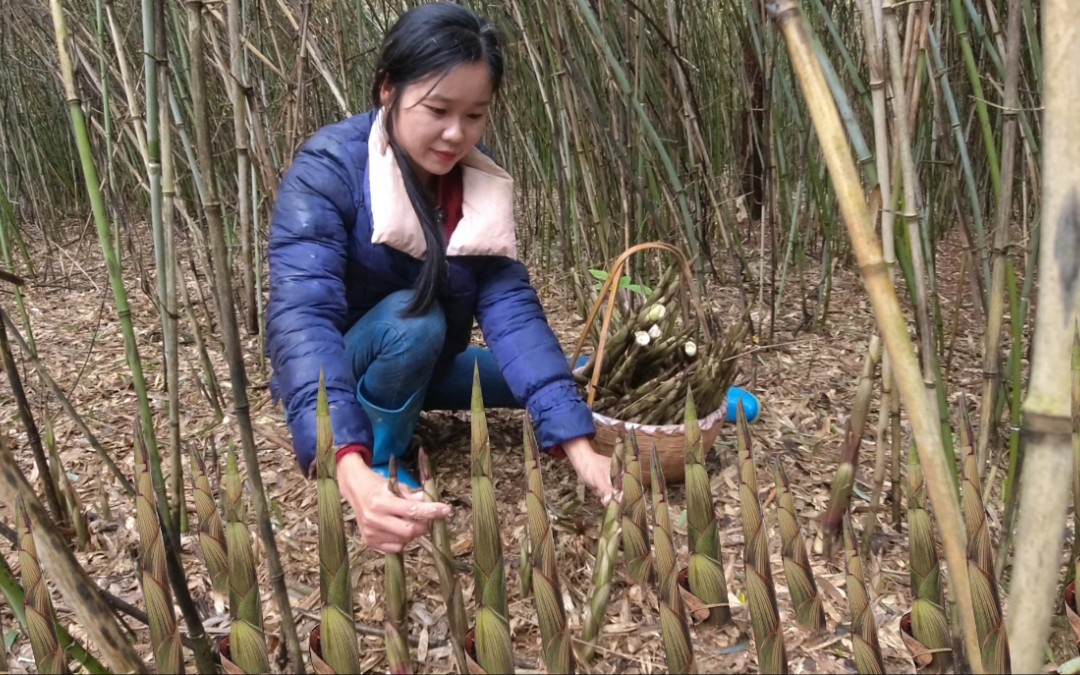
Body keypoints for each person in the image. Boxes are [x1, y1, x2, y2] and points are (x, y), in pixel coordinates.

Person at [266, 2, 615, 555]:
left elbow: (509, 307)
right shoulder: (330, 168)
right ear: (388, 90)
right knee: (415, 322)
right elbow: (302, 317)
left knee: (563, 379)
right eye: (438, 109)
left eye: (475, 115)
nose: (456, 134)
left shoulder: (475, 176)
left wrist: (580, 446)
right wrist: (344, 462)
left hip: (426, 363)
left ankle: (678, 405)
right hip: (352, 361)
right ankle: (382, 454)